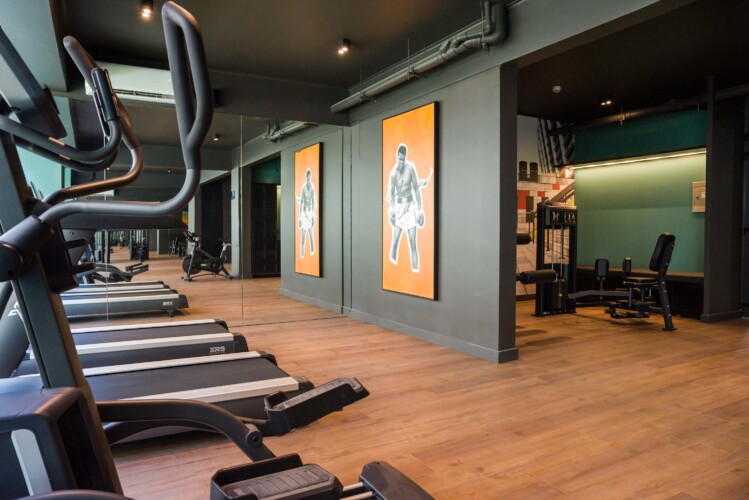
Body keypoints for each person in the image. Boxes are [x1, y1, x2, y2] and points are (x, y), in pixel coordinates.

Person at [386, 143, 428, 272]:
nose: (401, 162)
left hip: (410, 207)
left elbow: (416, 188)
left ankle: (415, 271)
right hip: (399, 207)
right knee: (395, 241)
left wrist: (420, 209)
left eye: (403, 159)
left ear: (406, 157)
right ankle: (391, 269)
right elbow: (391, 193)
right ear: (397, 157)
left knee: (413, 242)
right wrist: (392, 208)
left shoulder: (410, 168)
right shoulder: (393, 174)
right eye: (400, 159)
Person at [297, 168, 316, 258]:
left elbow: (313, 202)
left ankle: (313, 254)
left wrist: (313, 215)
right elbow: (301, 202)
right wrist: (300, 217)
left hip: (310, 213)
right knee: (303, 238)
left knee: (311, 237)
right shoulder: (303, 187)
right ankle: (301, 256)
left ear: (310, 177)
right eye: (307, 178)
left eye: (309, 178)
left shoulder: (312, 187)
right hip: (304, 213)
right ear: (306, 177)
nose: (309, 180)